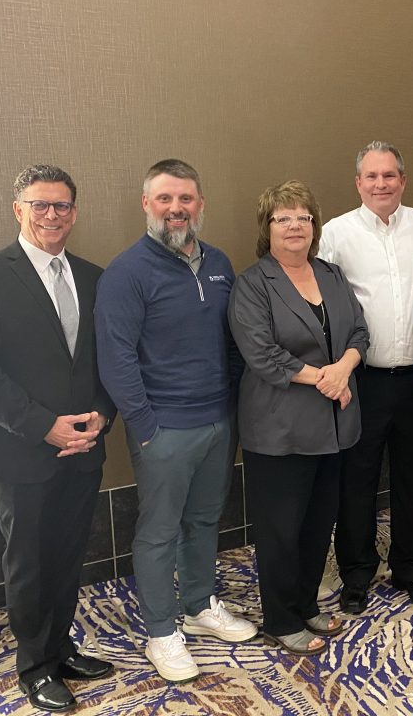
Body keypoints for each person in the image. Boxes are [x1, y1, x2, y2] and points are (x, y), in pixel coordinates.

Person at [0, 165, 115, 712]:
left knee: (68, 556)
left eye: (62, 206)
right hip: (18, 449)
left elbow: (109, 361)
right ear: (18, 210)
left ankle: (60, 648)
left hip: (83, 448)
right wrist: (46, 426)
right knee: (29, 561)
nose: (52, 215)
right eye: (40, 205)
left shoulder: (94, 277)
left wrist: (100, 418)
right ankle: (36, 667)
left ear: (74, 213)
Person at [95, 159, 256, 684]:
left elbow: (232, 341)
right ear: (146, 204)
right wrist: (144, 424)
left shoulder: (219, 263)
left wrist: (231, 402)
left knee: (205, 520)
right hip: (161, 427)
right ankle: (162, 632)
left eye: (185, 198)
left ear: (200, 203)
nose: (175, 209)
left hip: (216, 420)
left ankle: (199, 605)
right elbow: (115, 357)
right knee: (159, 531)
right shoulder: (127, 272)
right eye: (164, 199)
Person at [228, 180, 369, 656]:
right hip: (280, 428)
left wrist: (345, 367)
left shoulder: (329, 273)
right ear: (267, 229)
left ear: (315, 226)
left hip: (333, 426)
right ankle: (281, 618)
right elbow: (262, 354)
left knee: (316, 524)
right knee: (281, 529)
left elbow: (359, 331)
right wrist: (325, 379)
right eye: (283, 218)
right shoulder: (252, 284)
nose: (294, 226)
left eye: (303, 217)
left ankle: (306, 604)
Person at [319, 141, 413, 614]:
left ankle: (412, 568)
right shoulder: (335, 234)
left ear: (403, 180)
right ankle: (356, 573)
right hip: (362, 382)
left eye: (389, 175)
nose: (380, 184)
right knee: (357, 479)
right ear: (357, 183)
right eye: (371, 176)